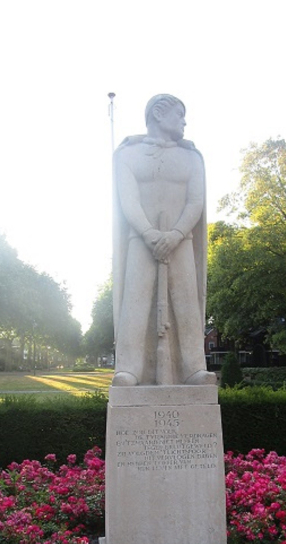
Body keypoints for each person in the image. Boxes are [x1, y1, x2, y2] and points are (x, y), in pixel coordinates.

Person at [112, 94, 216, 386]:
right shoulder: (127, 155)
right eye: (179, 115)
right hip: (141, 239)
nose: (184, 122)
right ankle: (130, 369)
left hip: (179, 239)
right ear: (159, 114)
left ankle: (194, 367)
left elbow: (196, 202)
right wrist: (149, 234)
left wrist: (175, 235)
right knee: (135, 302)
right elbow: (127, 200)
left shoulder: (192, 157)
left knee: (186, 303)